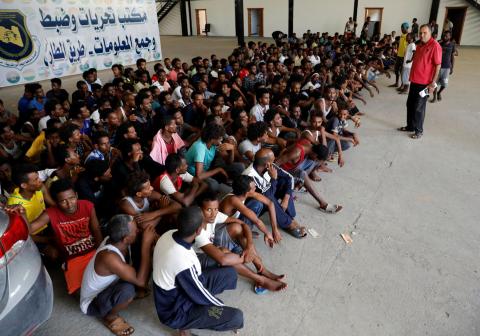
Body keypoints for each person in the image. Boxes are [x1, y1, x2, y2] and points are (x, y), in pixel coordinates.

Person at [153, 206, 243, 335]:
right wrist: (220, 307)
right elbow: (199, 292)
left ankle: (190, 321)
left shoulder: (168, 234)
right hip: (174, 310)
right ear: (199, 230)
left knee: (230, 273)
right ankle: (183, 325)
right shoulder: (182, 262)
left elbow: (193, 283)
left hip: (181, 287)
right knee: (235, 317)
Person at [80, 215, 157, 336]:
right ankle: (110, 317)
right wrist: (146, 244)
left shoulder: (115, 240)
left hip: (108, 287)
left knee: (139, 249)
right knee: (127, 291)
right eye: (135, 230)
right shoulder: (109, 256)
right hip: (92, 304)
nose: (137, 230)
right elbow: (141, 281)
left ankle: (129, 294)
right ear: (126, 239)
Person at [27, 179, 102, 294]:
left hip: (93, 251)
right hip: (72, 258)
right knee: (80, 293)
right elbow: (29, 229)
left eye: (72, 198)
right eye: (63, 201)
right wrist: (21, 213)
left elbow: (96, 229)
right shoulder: (51, 213)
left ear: (76, 195)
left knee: (105, 281)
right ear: (56, 202)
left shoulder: (87, 206)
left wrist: (100, 250)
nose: (69, 203)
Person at [243, 149, 307, 239]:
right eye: (273, 160)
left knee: (283, 181)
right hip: (253, 206)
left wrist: (286, 198)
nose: (275, 160)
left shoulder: (269, 166)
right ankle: (288, 223)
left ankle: (289, 216)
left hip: (267, 196)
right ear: (267, 164)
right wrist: (273, 179)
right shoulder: (250, 176)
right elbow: (268, 197)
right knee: (268, 194)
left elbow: (289, 178)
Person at [398, 24, 442, 139]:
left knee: (419, 107)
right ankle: (410, 126)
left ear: (430, 33)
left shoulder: (435, 46)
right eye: (420, 33)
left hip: (425, 84)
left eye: (425, 33)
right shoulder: (420, 45)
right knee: (410, 104)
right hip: (414, 81)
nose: (422, 35)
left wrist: (433, 83)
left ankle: (418, 131)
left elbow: (438, 65)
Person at [276, 139, 343, 214]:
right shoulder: (297, 152)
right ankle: (323, 204)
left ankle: (298, 184)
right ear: (315, 155)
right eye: (317, 159)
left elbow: (286, 150)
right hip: (278, 174)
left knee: (308, 166)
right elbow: (276, 163)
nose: (315, 160)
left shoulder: (308, 147)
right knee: (302, 173)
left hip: (288, 170)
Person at [220, 175, 281, 245]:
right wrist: (267, 233)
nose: (255, 188)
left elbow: (270, 203)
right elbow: (256, 220)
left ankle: (245, 233)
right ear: (247, 193)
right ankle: (239, 239)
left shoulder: (242, 193)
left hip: (234, 221)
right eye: (254, 187)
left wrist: (275, 229)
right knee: (249, 215)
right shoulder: (233, 200)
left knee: (257, 204)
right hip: (224, 229)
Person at [431, 31, 457, 103]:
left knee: (444, 84)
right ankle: (434, 96)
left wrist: (452, 67)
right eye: (444, 35)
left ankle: (439, 92)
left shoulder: (452, 45)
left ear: (450, 37)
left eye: (447, 36)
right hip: (438, 66)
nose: (445, 37)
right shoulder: (439, 43)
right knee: (435, 82)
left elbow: (453, 57)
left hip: (447, 67)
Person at [389, 22, 409, 88]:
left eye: (402, 28)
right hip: (398, 55)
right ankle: (396, 83)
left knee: (402, 71)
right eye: (401, 27)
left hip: (404, 56)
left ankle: (402, 85)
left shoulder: (408, 36)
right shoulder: (401, 35)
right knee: (396, 69)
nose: (401, 29)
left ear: (406, 28)